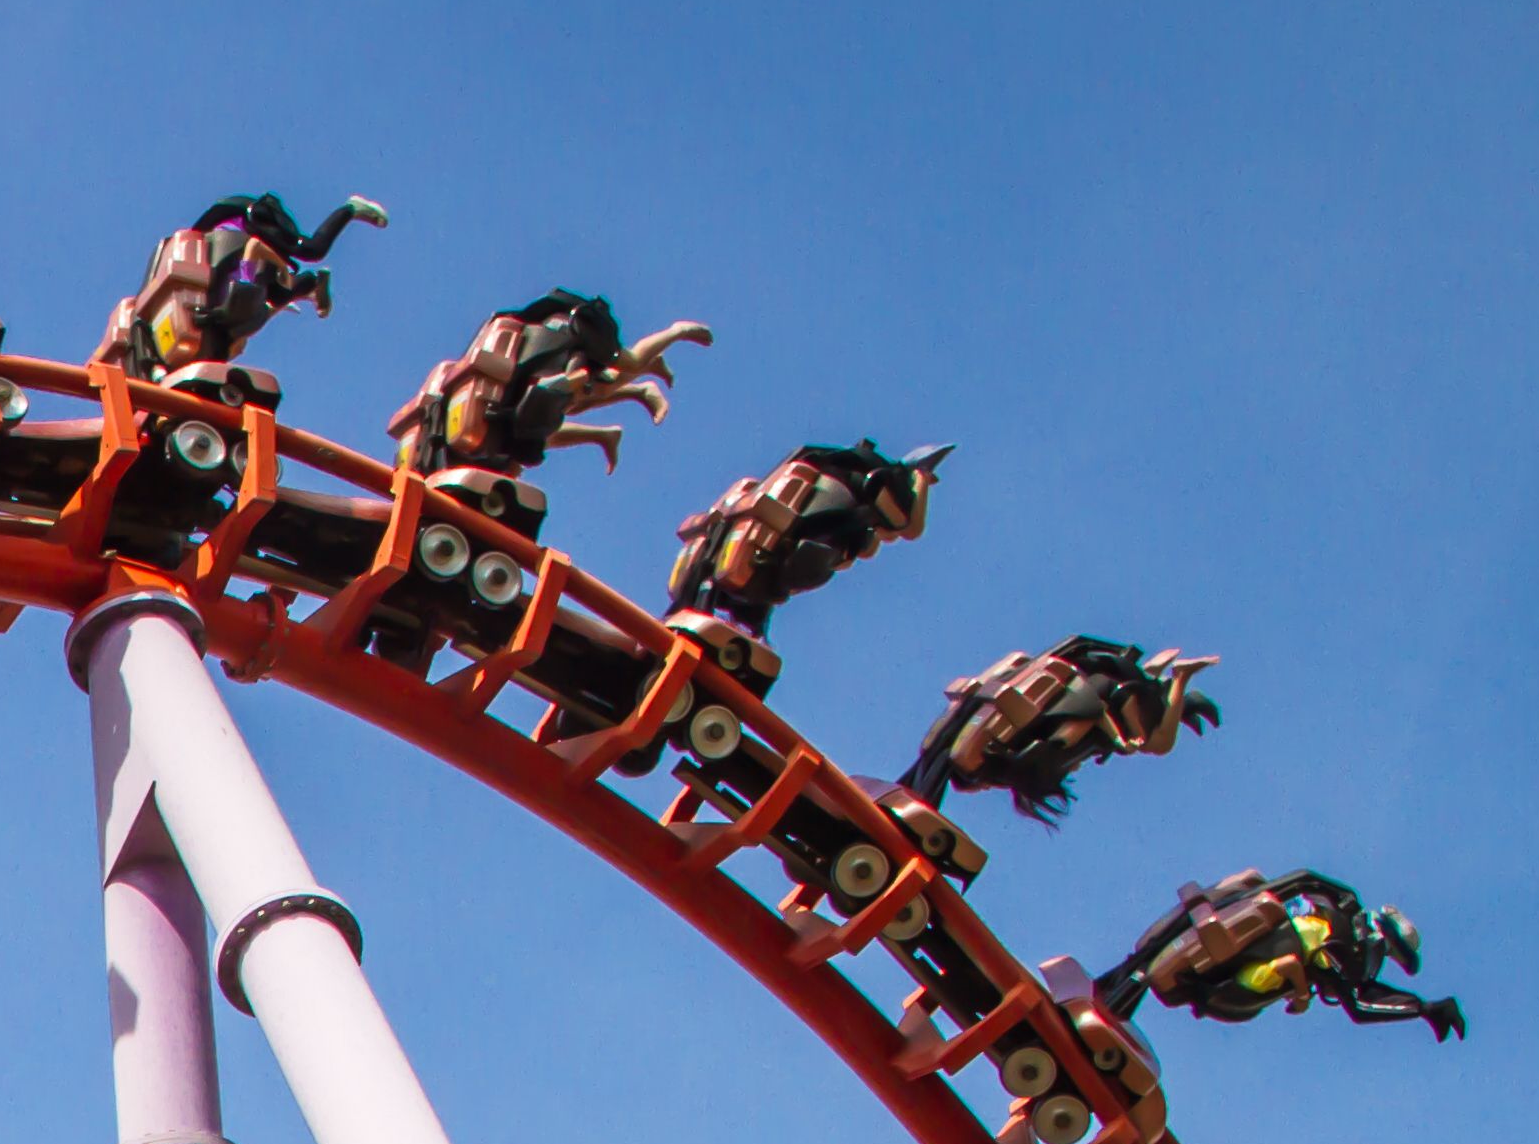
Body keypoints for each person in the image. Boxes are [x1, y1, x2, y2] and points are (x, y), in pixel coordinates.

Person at [385, 290, 708, 493]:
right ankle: (623, 411)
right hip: (540, 362)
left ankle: (669, 342)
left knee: (611, 373)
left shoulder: (562, 351)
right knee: (561, 411)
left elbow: (569, 384)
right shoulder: (499, 387)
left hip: (570, 336)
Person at [1100, 870, 1467, 1038]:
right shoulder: (1347, 946)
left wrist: (1422, 1008)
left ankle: (1117, 992)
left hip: (1242, 939)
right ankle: (1112, 998)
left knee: (1168, 965)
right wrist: (1422, 1008)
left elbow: (1303, 878)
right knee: (1170, 963)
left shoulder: (1341, 906)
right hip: (1249, 942)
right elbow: (1360, 1003)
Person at [902, 637, 1221, 821]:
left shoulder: (1011, 756)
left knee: (1155, 741)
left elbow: (1096, 706)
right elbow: (1096, 708)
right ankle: (1179, 679)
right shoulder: (1041, 749)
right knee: (1157, 743)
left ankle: (1176, 680)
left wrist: (1119, 737)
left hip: (1093, 699)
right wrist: (1121, 738)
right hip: (1095, 699)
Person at [666, 438, 949, 637]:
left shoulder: (837, 465)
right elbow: (909, 528)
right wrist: (921, 478)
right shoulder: (890, 478)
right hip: (780, 551)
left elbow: (877, 539)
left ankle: (738, 626)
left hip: (758, 555)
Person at [104, 190, 386, 385]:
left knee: (311, 250)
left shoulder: (241, 283)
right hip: (231, 254)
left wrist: (285, 275)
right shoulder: (239, 316)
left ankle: (351, 208)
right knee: (267, 301)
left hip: (253, 222)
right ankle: (309, 286)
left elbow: (255, 247)